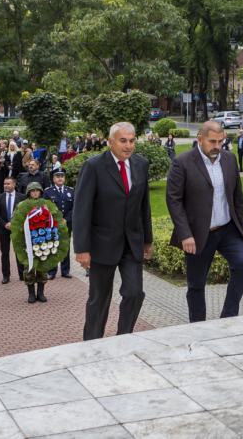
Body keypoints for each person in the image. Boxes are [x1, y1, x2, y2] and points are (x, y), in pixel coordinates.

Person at [166, 121, 243, 323]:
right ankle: (198, 327)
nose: (217, 146)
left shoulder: (230, 159)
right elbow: (173, 201)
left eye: (220, 141)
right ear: (200, 140)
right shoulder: (182, 162)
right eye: (212, 141)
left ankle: (228, 318)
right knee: (196, 284)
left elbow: (238, 196)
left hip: (228, 229)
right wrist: (185, 234)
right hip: (197, 233)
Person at [76, 122, 153, 339]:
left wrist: (148, 239)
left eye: (132, 141)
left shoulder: (141, 164)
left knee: (135, 293)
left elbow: (143, 205)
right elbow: (82, 209)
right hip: (102, 244)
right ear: (110, 142)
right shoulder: (93, 166)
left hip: (132, 242)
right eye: (123, 141)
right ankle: (92, 342)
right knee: (99, 299)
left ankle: (124, 338)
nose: (128, 146)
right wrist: (82, 248)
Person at [18, 182, 52, 303]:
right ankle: (31, 293)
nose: (35, 192)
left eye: (37, 190)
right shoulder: (22, 205)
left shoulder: (46, 205)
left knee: (42, 267)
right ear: (28, 192)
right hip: (28, 241)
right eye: (33, 191)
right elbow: (16, 220)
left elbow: (53, 220)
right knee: (29, 268)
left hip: (42, 241)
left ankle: (41, 293)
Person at [0, 177, 25, 284]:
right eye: (4, 183)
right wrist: (5, 224)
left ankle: (22, 274)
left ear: (14, 185)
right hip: (3, 229)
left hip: (17, 229)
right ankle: (6, 275)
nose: (6, 185)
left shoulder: (22, 197)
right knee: (5, 253)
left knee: (19, 252)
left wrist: (14, 223)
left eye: (8, 184)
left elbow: (24, 213)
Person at [43, 169, 74, 280]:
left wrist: (66, 219)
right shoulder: (48, 192)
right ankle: (52, 271)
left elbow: (73, 207)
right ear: (54, 179)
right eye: (58, 176)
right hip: (53, 224)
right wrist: (56, 220)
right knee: (53, 246)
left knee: (65, 247)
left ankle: (65, 271)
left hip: (66, 224)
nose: (60, 178)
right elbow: (46, 207)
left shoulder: (70, 191)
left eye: (62, 176)